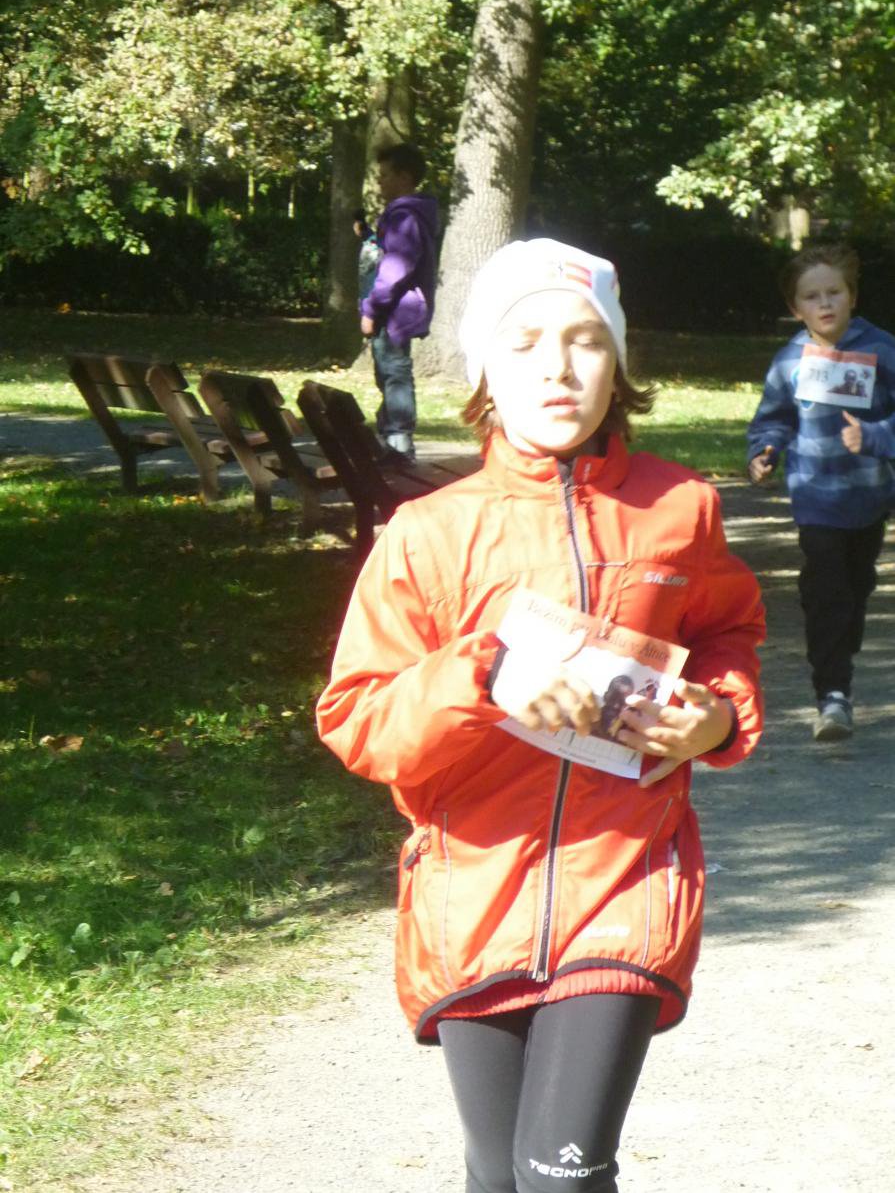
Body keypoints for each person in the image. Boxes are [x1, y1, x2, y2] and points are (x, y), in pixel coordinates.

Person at [318, 237, 765, 1193]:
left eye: (584, 340)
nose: (557, 367)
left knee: (560, 1176)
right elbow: (359, 719)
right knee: (497, 1175)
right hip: (472, 894)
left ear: (619, 365)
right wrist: (483, 678)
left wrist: (719, 719)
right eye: (523, 344)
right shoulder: (428, 532)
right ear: (484, 370)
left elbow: (727, 636)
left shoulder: (680, 508)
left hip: (625, 883)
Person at [747, 242, 895, 744]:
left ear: (853, 296)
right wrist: (765, 450)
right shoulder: (789, 360)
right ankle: (832, 695)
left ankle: (840, 657)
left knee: (854, 592)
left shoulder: (882, 349)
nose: (825, 303)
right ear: (796, 308)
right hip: (815, 498)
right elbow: (773, 419)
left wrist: (874, 437)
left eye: (834, 292)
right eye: (812, 296)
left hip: (868, 498)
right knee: (825, 592)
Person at [359, 142, 439, 460]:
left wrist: (371, 309)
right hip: (394, 308)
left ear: (404, 177)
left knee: (394, 373)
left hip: (395, 311)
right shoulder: (403, 214)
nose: (379, 182)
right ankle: (391, 437)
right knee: (388, 372)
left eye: (385, 175)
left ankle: (399, 444)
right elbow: (386, 253)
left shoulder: (405, 216)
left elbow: (395, 269)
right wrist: (367, 235)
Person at [352, 209, 381, 303]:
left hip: (369, 249)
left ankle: (366, 301)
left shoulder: (358, 225)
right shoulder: (367, 227)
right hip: (374, 247)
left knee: (366, 278)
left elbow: (359, 234)